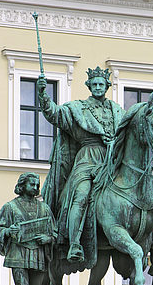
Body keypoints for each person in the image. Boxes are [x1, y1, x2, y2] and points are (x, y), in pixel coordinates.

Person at [37, 67, 125, 263]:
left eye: (101, 84)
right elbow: (54, 114)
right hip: (88, 158)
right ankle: (74, 243)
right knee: (81, 194)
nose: (97, 87)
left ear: (107, 86)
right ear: (89, 86)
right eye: (94, 84)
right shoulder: (78, 109)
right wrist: (43, 95)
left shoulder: (118, 111)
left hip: (112, 160)